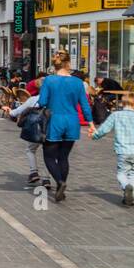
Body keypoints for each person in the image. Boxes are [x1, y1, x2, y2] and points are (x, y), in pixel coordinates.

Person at [36, 49, 92, 202]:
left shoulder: (49, 80)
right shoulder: (78, 82)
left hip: (55, 120)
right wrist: (91, 123)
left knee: (48, 156)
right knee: (63, 157)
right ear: (68, 63)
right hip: (72, 121)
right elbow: (85, 104)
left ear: (54, 65)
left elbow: (42, 102)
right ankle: (62, 185)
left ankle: (60, 182)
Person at [91, 91, 134, 207]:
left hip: (123, 151)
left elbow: (104, 129)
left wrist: (95, 135)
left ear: (122, 103)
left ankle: (126, 187)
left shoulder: (115, 115)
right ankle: (131, 194)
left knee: (121, 173)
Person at [8, 78, 47, 189]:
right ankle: (46, 179)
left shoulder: (33, 99)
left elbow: (16, 112)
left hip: (36, 130)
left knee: (30, 149)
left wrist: (9, 111)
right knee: (48, 153)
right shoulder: (54, 100)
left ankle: (34, 172)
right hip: (50, 129)